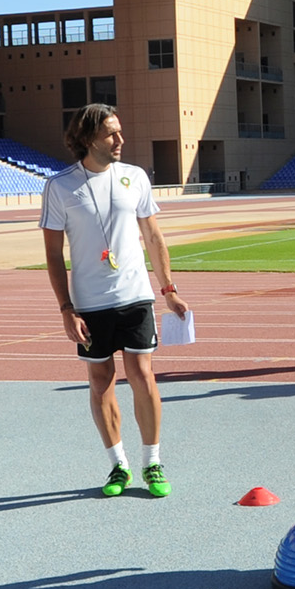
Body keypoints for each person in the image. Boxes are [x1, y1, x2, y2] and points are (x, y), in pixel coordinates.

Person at [41, 105, 188, 498]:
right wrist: (66, 309)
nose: (120, 141)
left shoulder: (135, 177)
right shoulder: (60, 187)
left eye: (120, 132)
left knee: (143, 375)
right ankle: (118, 465)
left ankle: (152, 461)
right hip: (89, 303)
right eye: (111, 134)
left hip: (135, 295)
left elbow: (154, 238)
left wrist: (169, 289)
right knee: (101, 380)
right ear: (88, 139)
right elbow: (53, 256)